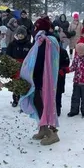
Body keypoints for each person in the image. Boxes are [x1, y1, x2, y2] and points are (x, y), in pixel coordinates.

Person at [20, 17, 60, 146]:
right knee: (37, 101)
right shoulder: (40, 40)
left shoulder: (48, 41)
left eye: (36, 28)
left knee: (45, 103)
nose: (34, 30)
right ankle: (43, 129)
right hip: (37, 77)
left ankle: (52, 133)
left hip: (45, 79)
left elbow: (43, 60)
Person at [6, 26, 33, 107]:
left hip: (25, 66)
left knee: (25, 83)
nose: (20, 36)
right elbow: (8, 55)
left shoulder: (29, 45)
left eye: (22, 34)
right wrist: (9, 64)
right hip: (15, 66)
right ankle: (15, 99)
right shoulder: (12, 44)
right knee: (16, 83)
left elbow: (32, 55)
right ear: (16, 35)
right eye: (19, 34)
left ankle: (24, 100)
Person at [56, 39, 70, 117]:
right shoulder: (48, 51)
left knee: (58, 92)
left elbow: (67, 63)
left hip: (60, 76)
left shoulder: (63, 52)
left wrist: (62, 69)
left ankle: (58, 108)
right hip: (50, 76)